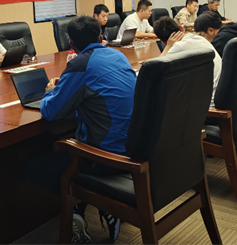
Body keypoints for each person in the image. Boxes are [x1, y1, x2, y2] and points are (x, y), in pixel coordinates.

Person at [27, 16, 137, 243]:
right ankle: (94, 208)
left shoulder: (80, 64)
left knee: (35, 167)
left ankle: (84, 207)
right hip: (133, 148)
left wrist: (50, 91)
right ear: (101, 36)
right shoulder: (118, 55)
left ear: (71, 45)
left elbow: (51, 112)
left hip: (105, 158)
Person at [153, 17, 221, 106]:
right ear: (181, 28)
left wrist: (168, 47)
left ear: (163, 42)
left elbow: (154, 69)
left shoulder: (178, 46)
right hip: (220, 93)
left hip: (208, 102)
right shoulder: (199, 38)